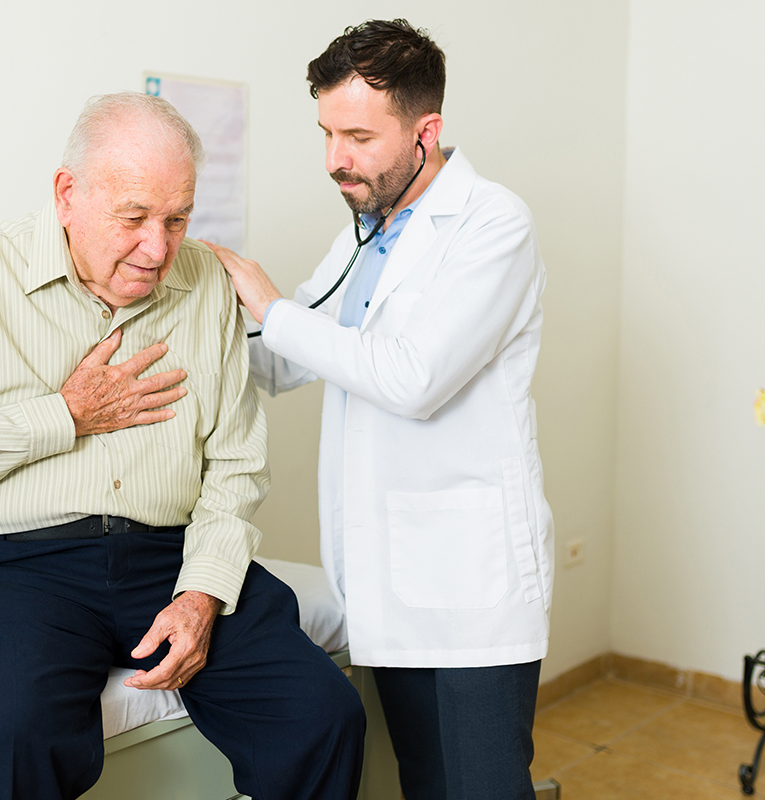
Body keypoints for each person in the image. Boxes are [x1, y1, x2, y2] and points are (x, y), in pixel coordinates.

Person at [0, 92, 365, 800]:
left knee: (322, 715)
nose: (159, 249)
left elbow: (236, 465)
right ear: (68, 195)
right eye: (133, 218)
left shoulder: (207, 286)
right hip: (9, 569)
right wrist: (63, 415)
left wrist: (201, 592)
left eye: (177, 219)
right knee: (11, 737)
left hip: (169, 557)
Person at [204, 19, 553, 800]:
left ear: (425, 131)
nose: (337, 159)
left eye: (359, 135)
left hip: (470, 589)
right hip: (389, 582)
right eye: (328, 132)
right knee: (425, 784)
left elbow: (412, 377)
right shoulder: (369, 232)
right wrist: (201, 316)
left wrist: (268, 300)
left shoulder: (493, 225)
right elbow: (284, 359)